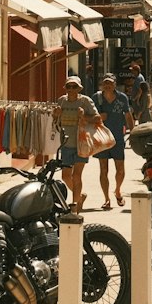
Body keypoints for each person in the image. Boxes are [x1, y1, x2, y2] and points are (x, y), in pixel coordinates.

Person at [53, 75, 102, 212]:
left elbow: (98, 118)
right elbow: (56, 122)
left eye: (74, 87)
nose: (71, 89)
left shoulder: (85, 101)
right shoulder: (62, 101)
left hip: (82, 144)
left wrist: (84, 116)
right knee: (65, 176)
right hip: (66, 144)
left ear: (79, 88)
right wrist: (55, 115)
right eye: (69, 86)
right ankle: (79, 196)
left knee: (76, 175)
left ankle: (74, 205)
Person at [95, 74, 133, 209]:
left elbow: (128, 116)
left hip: (118, 138)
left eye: (110, 83)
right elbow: (90, 116)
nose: (107, 85)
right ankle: (106, 198)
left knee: (120, 169)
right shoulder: (97, 98)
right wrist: (100, 117)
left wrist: (133, 133)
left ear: (115, 84)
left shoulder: (122, 98)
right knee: (103, 169)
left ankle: (117, 190)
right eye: (105, 82)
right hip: (102, 139)